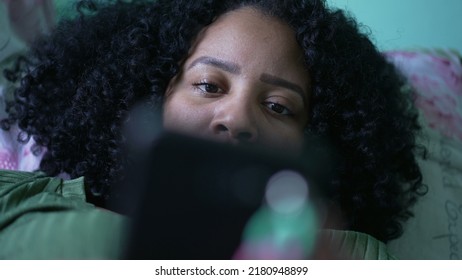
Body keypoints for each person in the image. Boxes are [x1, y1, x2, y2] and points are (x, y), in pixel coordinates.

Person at [0, 0, 425, 258]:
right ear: (150, 95)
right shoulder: (14, 199)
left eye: (278, 107)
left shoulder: (351, 255)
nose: (237, 118)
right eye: (208, 85)